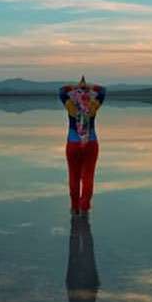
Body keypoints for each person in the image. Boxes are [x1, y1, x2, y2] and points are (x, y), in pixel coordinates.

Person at [59, 76, 106, 215]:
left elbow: (62, 91)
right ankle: (84, 206)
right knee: (88, 176)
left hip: (73, 143)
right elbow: (102, 91)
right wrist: (89, 87)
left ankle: (75, 207)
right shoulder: (92, 105)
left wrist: (74, 87)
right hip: (90, 142)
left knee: (73, 176)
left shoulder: (71, 105)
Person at [59, 214, 105, 302]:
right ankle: (81, 222)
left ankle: (78, 221)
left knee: (80, 248)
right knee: (84, 248)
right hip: (88, 283)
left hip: (77, 283)